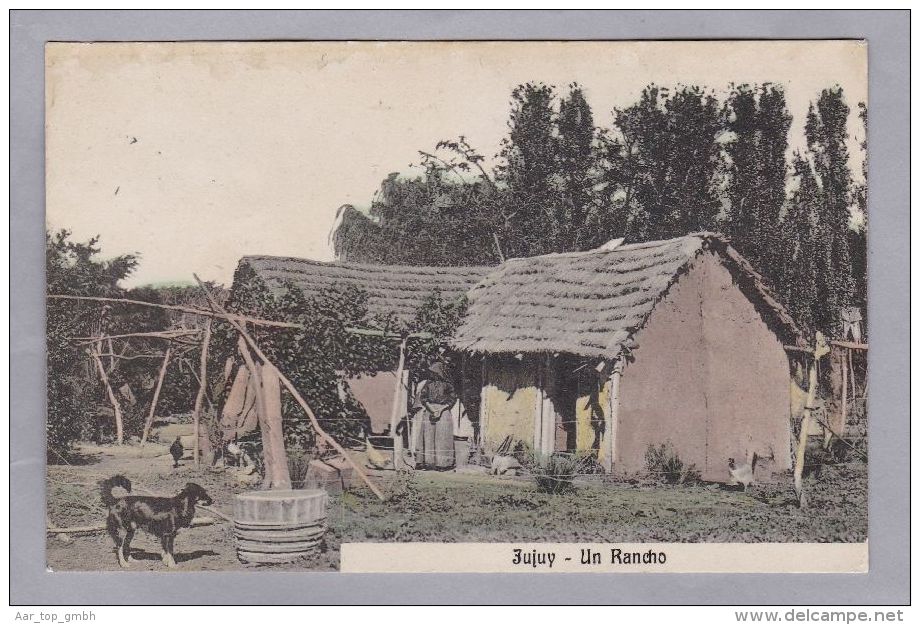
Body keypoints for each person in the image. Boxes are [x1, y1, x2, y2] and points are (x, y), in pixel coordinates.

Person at [411, 359, 457, 469]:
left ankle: (442, 464)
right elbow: (423, 397)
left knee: (442, 437)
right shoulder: (428, 384)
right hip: (429, 409)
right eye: (432, 372)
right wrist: (431, 409)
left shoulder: (448, 385)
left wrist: (440, 409)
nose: (433, 374)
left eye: (435, 372)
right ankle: (427, 462)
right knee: (427, 436)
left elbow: (452, 399)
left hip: (444, 411)